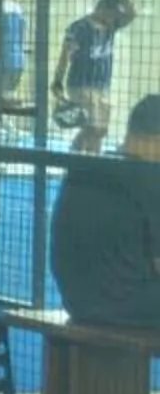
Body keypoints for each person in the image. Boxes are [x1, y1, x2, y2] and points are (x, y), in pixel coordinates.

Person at [49, 93, 160, 333]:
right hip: (128, 308)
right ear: (154, 141)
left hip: (76, 303)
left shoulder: (87, 167)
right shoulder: (152, 179)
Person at [51, 0, 135, 156]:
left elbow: (131, 15)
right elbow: (65, 55)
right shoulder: (79, 28)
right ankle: (74, 156)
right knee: (92, 127)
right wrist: (58, 80)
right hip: (81, 84)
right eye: (113, 14)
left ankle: (93, 159)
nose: (115, 19)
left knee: (101, 130)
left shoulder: (111, 27)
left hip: (102, 85)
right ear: (102, 9)